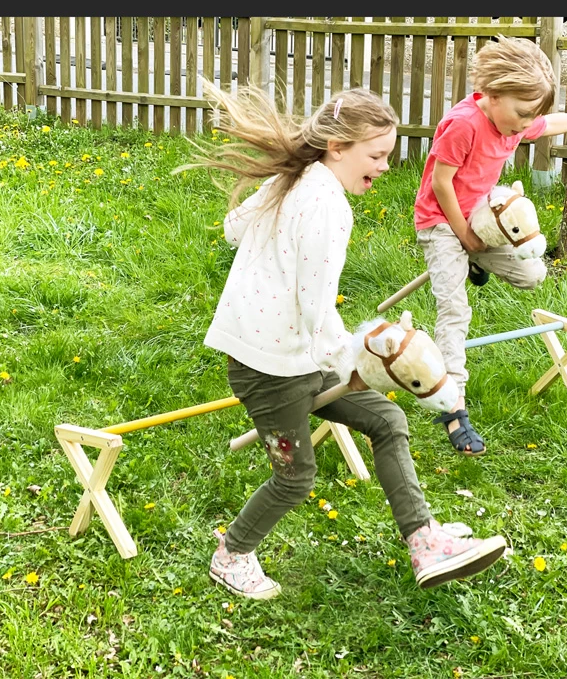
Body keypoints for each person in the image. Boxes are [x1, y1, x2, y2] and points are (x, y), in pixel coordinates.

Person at [181, 82, 508, 600]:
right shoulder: (327, 205)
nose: (383, 167)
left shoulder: (296, 179)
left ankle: (425, 541)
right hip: (269, 367)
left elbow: (232, 229)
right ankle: (233, 555)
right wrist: (367, 353)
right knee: (294, 476)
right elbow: (316, 310)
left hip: (292, 355)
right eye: (376, 155)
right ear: (338, 147)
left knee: (388, 419)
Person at [413, 35, 567, 457]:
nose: (526, 124)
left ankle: (478, 263)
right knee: (454, 311)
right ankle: (453, 407)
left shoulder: (513, 119)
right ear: (493, 94)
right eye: (522, 113)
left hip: (482, 222)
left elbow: (552, 123)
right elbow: (440, 183)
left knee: (533, 273)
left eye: (532, 115)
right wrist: (463, 236)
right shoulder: (464, 124)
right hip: (442, 221)